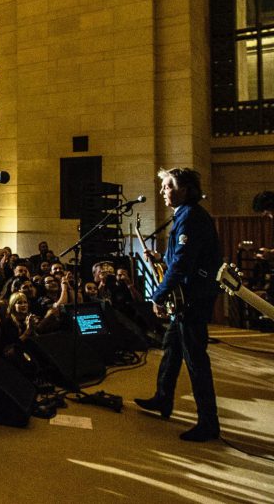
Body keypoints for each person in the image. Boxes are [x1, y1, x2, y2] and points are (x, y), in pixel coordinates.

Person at [135, 168, 222, 442]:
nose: (162, 192)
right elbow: (180, 258)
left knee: (195, 360)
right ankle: (163, 398)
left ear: (185, 189)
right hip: (188, 296)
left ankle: (209, 423)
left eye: (167, 186)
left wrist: (157, 295)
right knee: (171, 348)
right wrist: (161, 257)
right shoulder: (185, 215)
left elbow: (184, 263)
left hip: (192, 300)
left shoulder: (191, 217)